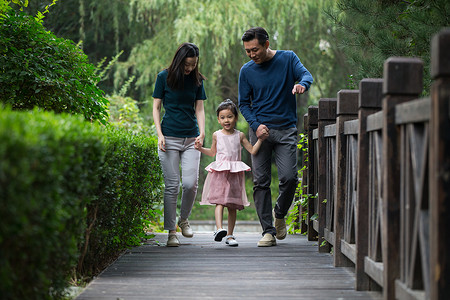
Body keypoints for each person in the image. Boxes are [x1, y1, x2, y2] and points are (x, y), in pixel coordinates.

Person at [238, 27, 313, 247]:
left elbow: (306, 75)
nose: (252, 55)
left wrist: (302, 85)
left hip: (286, 130)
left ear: (267, 44)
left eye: (255, 49)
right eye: (248, 51)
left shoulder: (288, 58)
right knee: (261, 182)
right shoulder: (247, 71)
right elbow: (244, 103)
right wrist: (255, 125)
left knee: (290, 178)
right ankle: (268, 231)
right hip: (260, 132)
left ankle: (279, 214)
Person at [152, 42, 207, 247]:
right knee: (172, 185)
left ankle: (184, 219)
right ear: (179, 60)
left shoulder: (197, 81)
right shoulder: (163, 78)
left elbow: (199, 109)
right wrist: (159, 134)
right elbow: (156, 108)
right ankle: (171, 231)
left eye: (193, 64)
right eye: (187, 64)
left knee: (190, 184)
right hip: (169, 137)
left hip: (191, 138)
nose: (190, 68)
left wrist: (202, 132)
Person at [195, 99, 263, 247]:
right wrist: (200, 148)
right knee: (219, 202)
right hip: (220, 173)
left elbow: (252, 150)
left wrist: (261, 140)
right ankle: (219, 229)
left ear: (236, 118)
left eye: (230, 116)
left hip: (234, 174)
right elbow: (212, 152)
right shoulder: (216, 135)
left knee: (232, 205)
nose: (227, 120)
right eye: (223, 117)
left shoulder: (240, 136)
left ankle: (230, 235)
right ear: (219, 120)